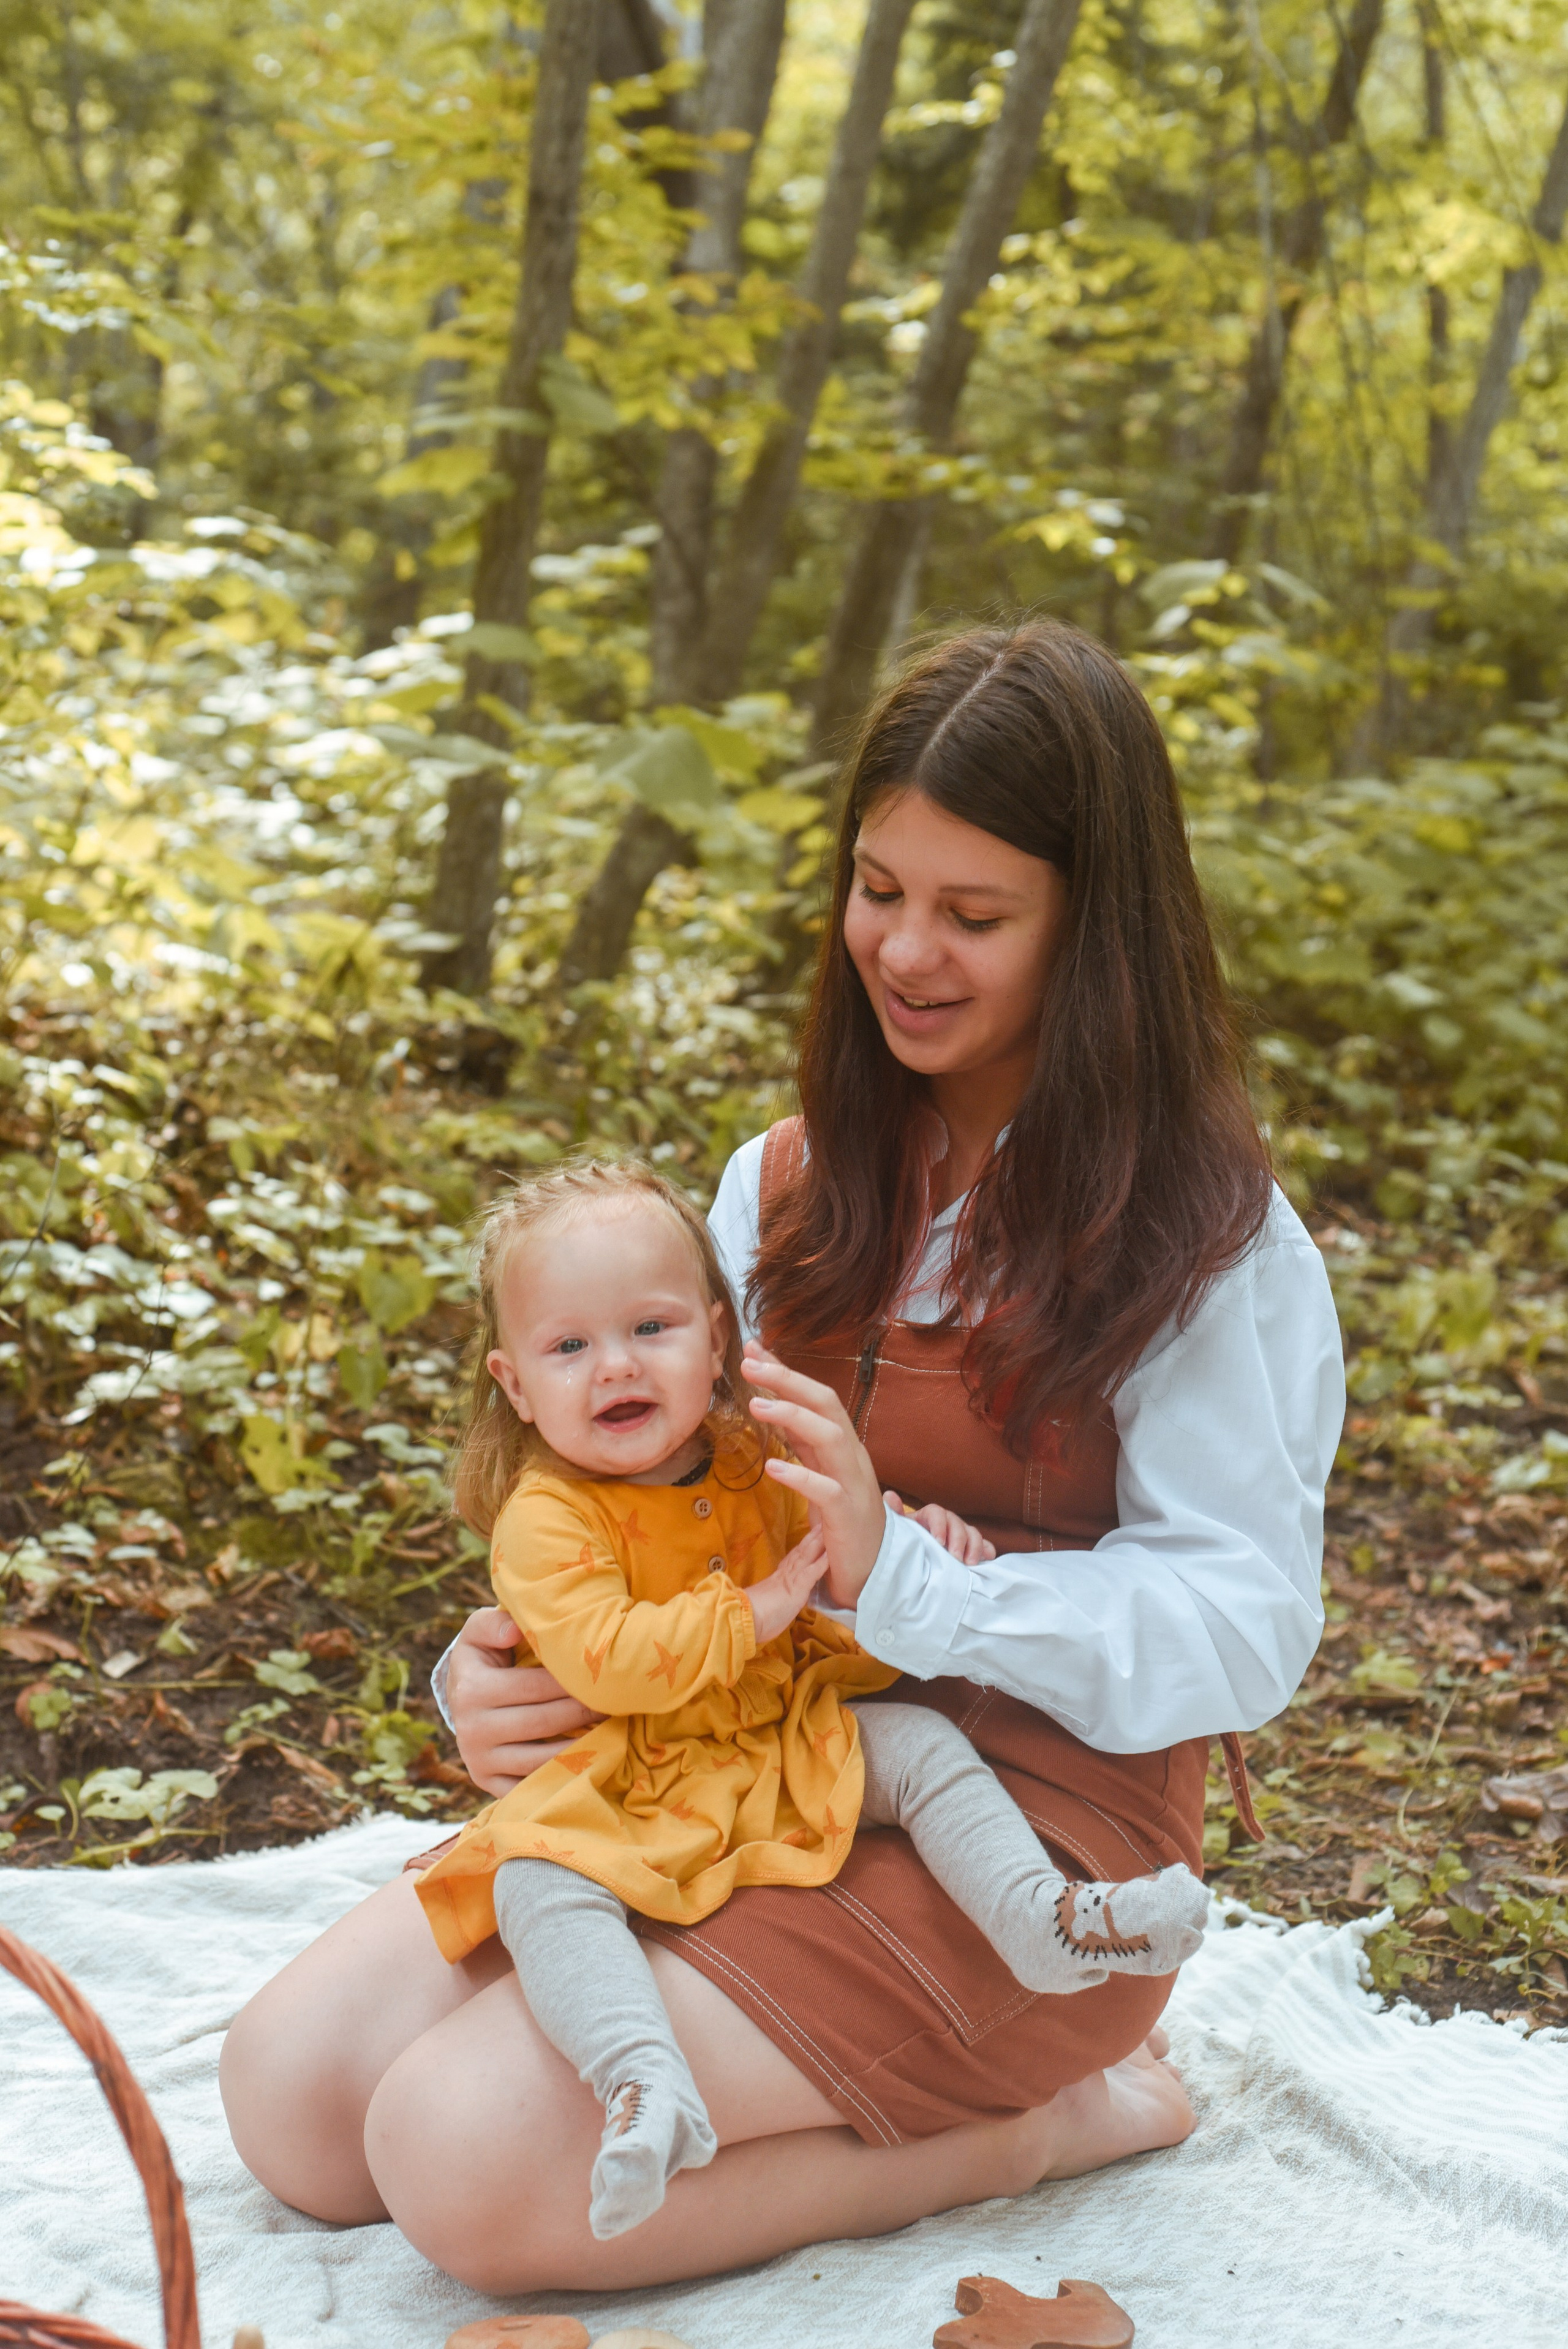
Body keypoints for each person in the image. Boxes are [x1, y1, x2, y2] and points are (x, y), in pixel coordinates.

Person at [221, 617, 1344, 2296]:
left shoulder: (1217, 1247)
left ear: (1095, 932)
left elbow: (1249, 1629)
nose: (905, 949)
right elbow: (651, 1485)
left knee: (465, 2165)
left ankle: (1051, 2113)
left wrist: (928, 1596)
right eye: (880, 888)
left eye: (975, 915)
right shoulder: (787, 1180)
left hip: (1022, 1830)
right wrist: (504, 1671)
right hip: (745, 1751)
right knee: (294, 2107)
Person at [415, 1157, 1209, 2242]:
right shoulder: (546, 1518)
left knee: (918, 1741)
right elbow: (606, 1662)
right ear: (515, 1385)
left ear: (716, 1337)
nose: (615, 1369)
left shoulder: (756, 1464)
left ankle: (1044, 1920)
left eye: (650, 1330)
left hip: (783, 1742)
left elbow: (846, 1619)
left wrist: (902, 1559)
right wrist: (760, 1609)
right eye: (569, 1348)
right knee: (539, 1885)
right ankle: (645, 2084)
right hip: (647, 1774)